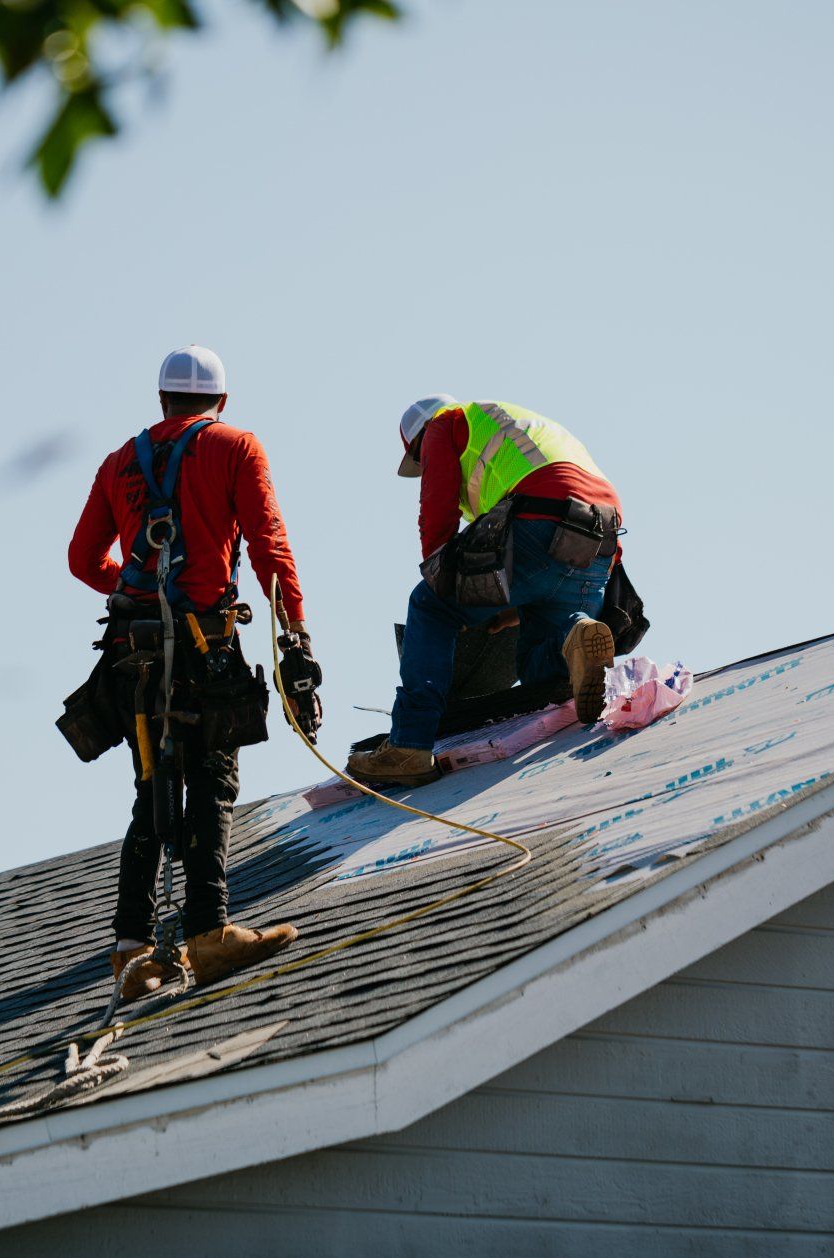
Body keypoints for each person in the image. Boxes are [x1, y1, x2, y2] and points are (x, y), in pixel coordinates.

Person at [66, 344, 313, 1002]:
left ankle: (131, 955)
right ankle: (207, 935)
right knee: (211, 785)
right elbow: (268, 545)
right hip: (204, 649)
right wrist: (296, 636)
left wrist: (138, 591)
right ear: (220, 402)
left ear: (161, 401)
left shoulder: (121, 462)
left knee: (151, 794)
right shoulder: (236, 447)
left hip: (131, 655)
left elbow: (82, 560)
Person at [347, 398, 625, 788]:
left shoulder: (445, 425)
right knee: (533, 667)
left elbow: (437, 509)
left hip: (541, 518)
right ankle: (575, 632)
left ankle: (409, 745)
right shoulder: (515, 424)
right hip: (600, 538)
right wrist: (511, 605)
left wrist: (443, 583)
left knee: (429, 607)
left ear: (418, 442)